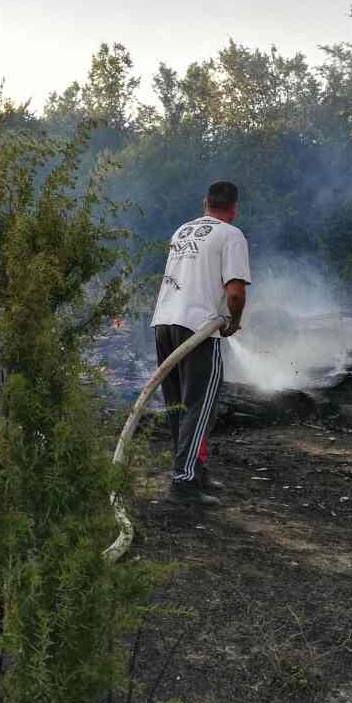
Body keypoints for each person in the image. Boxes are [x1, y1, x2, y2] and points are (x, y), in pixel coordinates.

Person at [150, 180, 250, 506]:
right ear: (234, 208)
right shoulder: (231, 235)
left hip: (164, 323)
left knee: (178, 404)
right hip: (198, 328)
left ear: (204, 202)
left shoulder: (181, 232)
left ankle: (194, 470)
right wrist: (233, 322)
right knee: (200, 405)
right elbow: (234, 292)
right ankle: (184, 482)